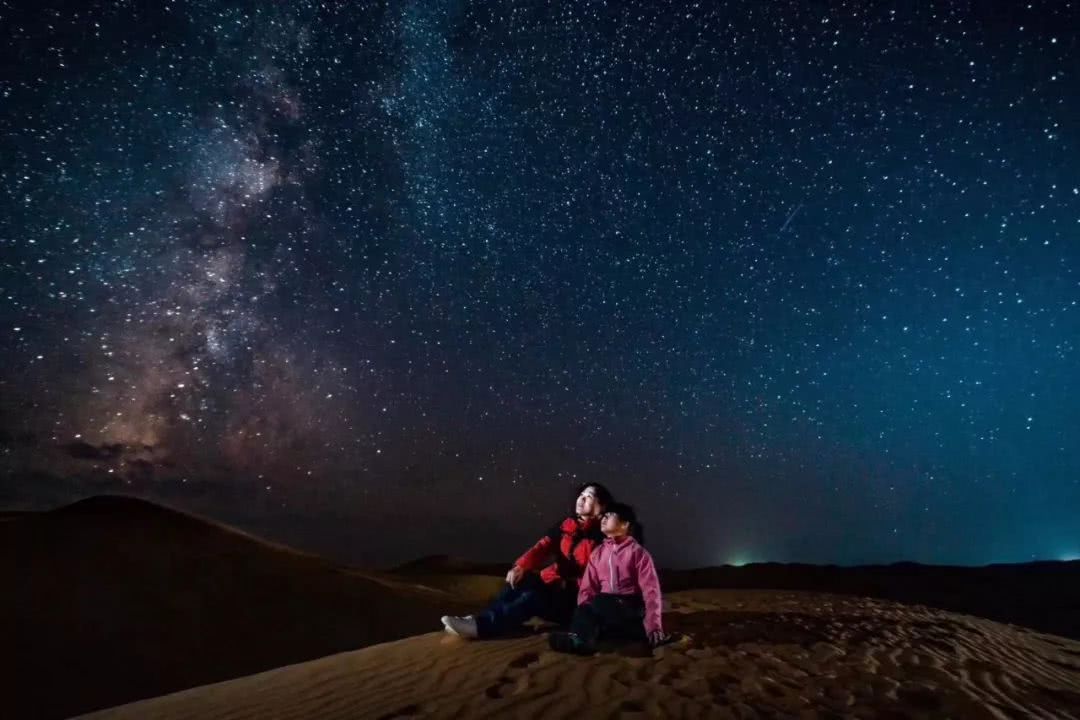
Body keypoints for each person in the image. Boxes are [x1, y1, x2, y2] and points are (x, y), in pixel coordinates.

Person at [441, 482, 613, 639]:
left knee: (533, 597)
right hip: (555, 586)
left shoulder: (606, 536)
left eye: (589, 496)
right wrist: (521, 566)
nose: (581, 499)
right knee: (519, 581)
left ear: (602, 506)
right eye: (581, 495)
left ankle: (483, 627)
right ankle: (482, 619)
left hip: (576, 602)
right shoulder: (566, 526)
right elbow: (543, 547)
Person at [548, 502, 668, 654]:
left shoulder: (638, 553)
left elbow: (651, 592)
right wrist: (584, 612)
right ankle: (578, 640)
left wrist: (654, 627)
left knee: (600, 601)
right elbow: (587, 588)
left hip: (630, 606)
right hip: (605, 608)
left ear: (625, 524)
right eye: (603, 515)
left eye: (610, 515)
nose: (604, 518)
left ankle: (629, 634)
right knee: (584, 607)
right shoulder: (598, 553)